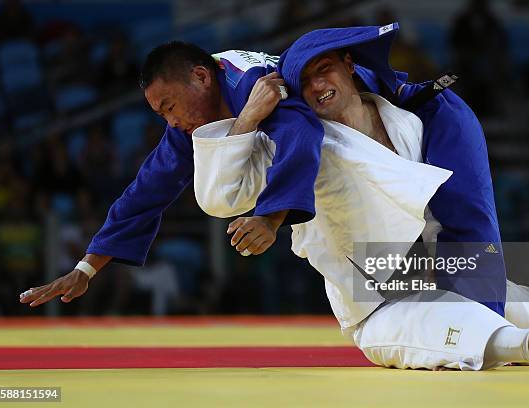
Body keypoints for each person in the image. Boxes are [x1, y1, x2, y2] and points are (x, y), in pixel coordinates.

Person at [188, 31, 529, 371]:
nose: (316, 85)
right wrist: (249, 121)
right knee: (426, 328)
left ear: (349, 64)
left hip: (434, 267)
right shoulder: (301, 143)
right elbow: (221, 196)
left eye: (324, 69)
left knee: (507, 299)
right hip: (375, 305)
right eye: (304, 82)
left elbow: (450, 211)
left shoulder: (409, 122)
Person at [19, 43, 322, 307]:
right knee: (362, 325)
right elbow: (146, 190)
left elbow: (301, 131)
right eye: (162, 115)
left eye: (170, 107)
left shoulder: (248, 82)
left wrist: (270, 218)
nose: (172, 121)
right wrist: (85, 269)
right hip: (313, 188)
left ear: (201, 77)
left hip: (341, 162)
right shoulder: (194, 117)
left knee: (370, 319)